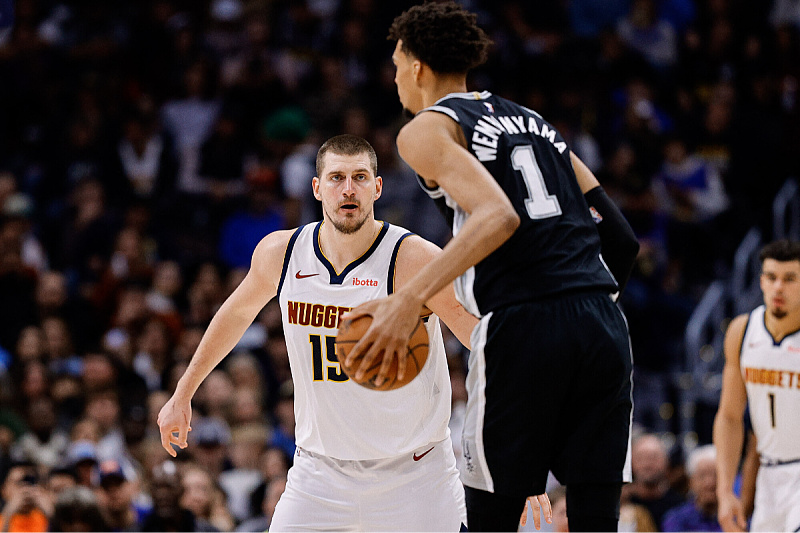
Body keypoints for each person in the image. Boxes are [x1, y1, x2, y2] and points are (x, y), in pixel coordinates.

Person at [157, 134, 552, 531]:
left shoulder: (413, 260)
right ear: (317, 188)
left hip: (414, 477)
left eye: (360, 177)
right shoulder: (283, 253)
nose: (349, 189)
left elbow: (486, 343)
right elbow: (235, 313)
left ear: (377, 187)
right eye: (337, 178)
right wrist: (183, 392)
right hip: (319, 473)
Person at [344, 3, 638, 531]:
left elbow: (496, 216)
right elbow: (622, 239)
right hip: (603, 324)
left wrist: (406, 300)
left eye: (394, 66)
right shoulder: (536, 123)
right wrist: (583, 305)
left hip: (524, 325)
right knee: (597, 519)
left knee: (490, 518)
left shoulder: (425, 130)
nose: (393, 79)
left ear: (416, 67)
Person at [713, 239, 800, 532]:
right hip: (770, 479)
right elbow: (729, 416)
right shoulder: (742, 330)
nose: (778, 287)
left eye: (790, 279)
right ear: (761, 281)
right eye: (772, 277)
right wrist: (725, 492)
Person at [661, 444, 721, 532]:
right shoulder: (676, 519)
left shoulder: (739, 517)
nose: (709, 483)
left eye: (715, 475)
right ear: (691, 482)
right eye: (702, 476)